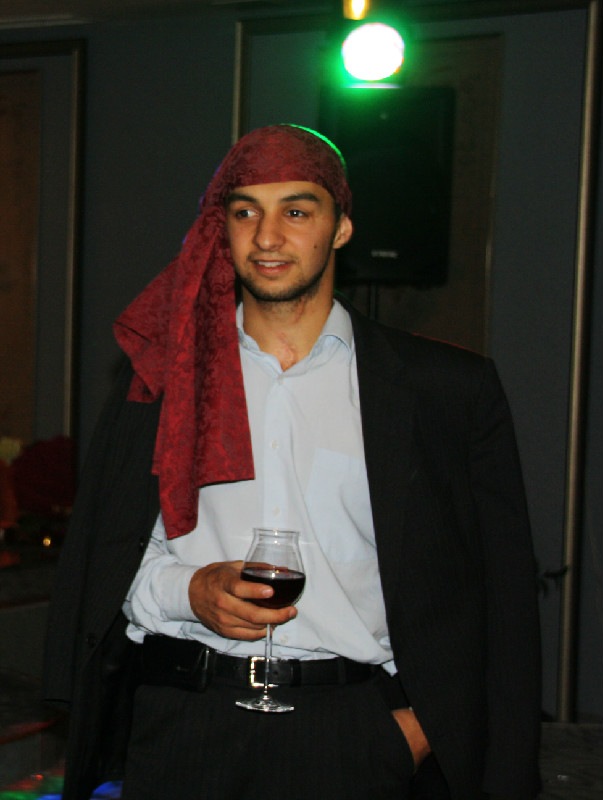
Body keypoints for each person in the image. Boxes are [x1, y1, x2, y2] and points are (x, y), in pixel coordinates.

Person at [43, 124, 541, 800]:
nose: (268, 236)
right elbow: (101, 565)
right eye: (245, 211)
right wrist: (189, 592)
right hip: (186, 726)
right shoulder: (163, 381)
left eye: (297, 211)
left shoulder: (445, 390)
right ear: (221, 230)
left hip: (357, 733)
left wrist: (423, 731)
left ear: (341, 228)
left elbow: (501, 596)